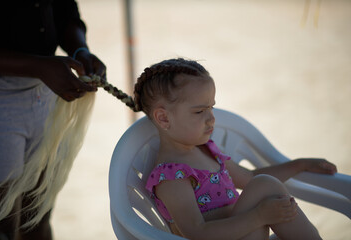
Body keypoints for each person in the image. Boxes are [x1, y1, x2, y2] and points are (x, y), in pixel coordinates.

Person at [108, 58, 337, 240]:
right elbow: (197, 233)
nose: (211, 119)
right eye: (199, 112)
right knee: (264, 186)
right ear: (163, 119)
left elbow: (250, 178)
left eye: (211, 108)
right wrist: (259, 216)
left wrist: (300, 164)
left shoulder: (207, 150)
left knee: (264, 183)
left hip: (248, 232)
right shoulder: (172, 177)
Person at [0, 1, 106, 239]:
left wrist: (80, 51)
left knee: (37, 216)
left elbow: (65, 13)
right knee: (0, 224)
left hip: (45, 91)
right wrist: (39, 66)